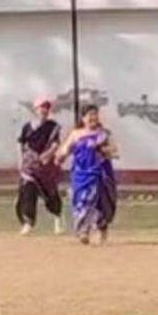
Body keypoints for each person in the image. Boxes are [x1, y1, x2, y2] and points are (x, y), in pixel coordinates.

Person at [55, 105, 118, 245]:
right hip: (80, 174)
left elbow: (115, 151)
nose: (92, 118)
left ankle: (100, 228)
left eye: (95, 115)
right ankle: (83, 230)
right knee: (81, 201)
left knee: (100, 203)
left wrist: (102, 149)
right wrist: (60, 156)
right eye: (89, 115)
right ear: (83, 118)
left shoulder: (104, 134)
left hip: (99, 173)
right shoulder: (76, 134)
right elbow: (65, 150)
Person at [15, 97, 64, 235]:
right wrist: (20, 160)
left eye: (47, 107)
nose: (44, 110)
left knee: (50, 194)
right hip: (29, 166)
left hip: (46, 167)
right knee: (28, 192)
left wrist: (47, 155)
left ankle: (57, 219)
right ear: (35, 109)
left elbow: (55, 144)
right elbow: (20, 143)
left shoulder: (52, 126)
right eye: (41, 107)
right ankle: (28, 223)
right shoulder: (27, 126)